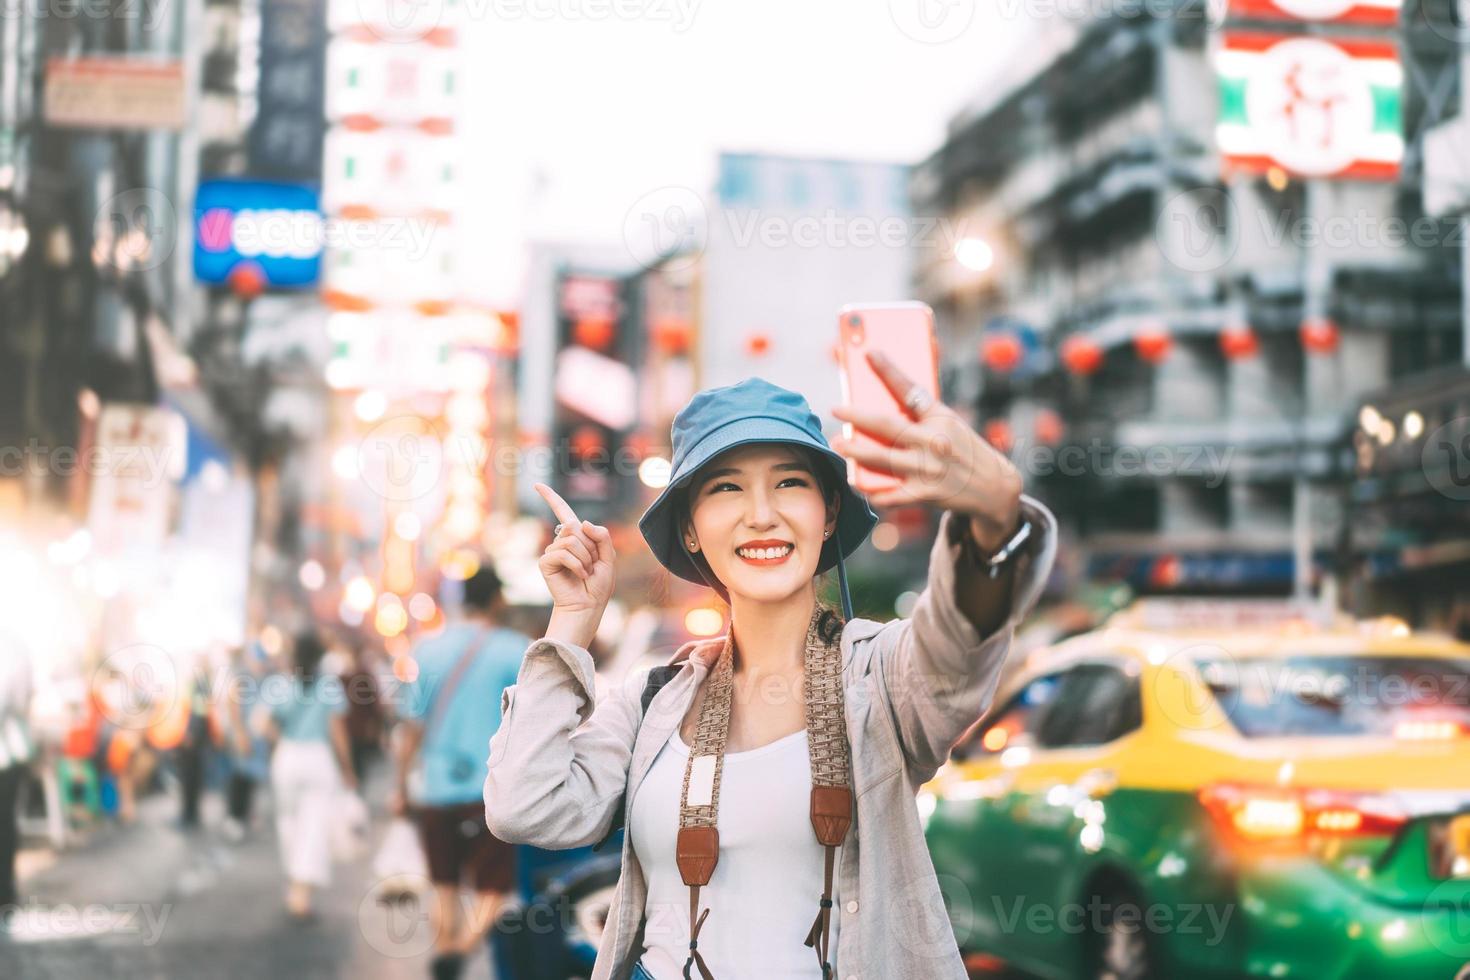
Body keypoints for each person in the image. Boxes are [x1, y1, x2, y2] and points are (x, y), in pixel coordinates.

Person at [485, 358, 1056, 980]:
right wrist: (571, 620)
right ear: (692, 530)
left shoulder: (883, 678)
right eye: (726, 487)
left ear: (828, 513)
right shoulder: (655, 699)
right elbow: (524, 807)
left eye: (789, 483)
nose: (761, 513)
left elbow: (959, 642)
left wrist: (993, 518)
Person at [394, 565, 527, 980]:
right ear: (496, 599)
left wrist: (400, 785)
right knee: (493, 886)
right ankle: (464, 949)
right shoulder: (517, 649)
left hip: (436, 787)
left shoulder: (426, 649)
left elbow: (412, 725)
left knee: (443, 883)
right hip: (490, 790)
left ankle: (445, 948)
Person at [267, 632, 357, 919]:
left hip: (287, 757)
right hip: (318, 758)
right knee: (313, 825)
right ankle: (301, 895)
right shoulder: (329, 686)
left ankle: (294, 884)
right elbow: (338, 731)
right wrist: (348, 769)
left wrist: (281, 741)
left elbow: (263, 724)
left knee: (288, 822)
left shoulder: (280, 684)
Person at [0, 635, 34, 917]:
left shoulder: (8, 651)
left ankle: (5, 894)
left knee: (4, 825)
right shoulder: (14, 648)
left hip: (5, 755)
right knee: (6, 824)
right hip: (11, 753)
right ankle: (6, 892)